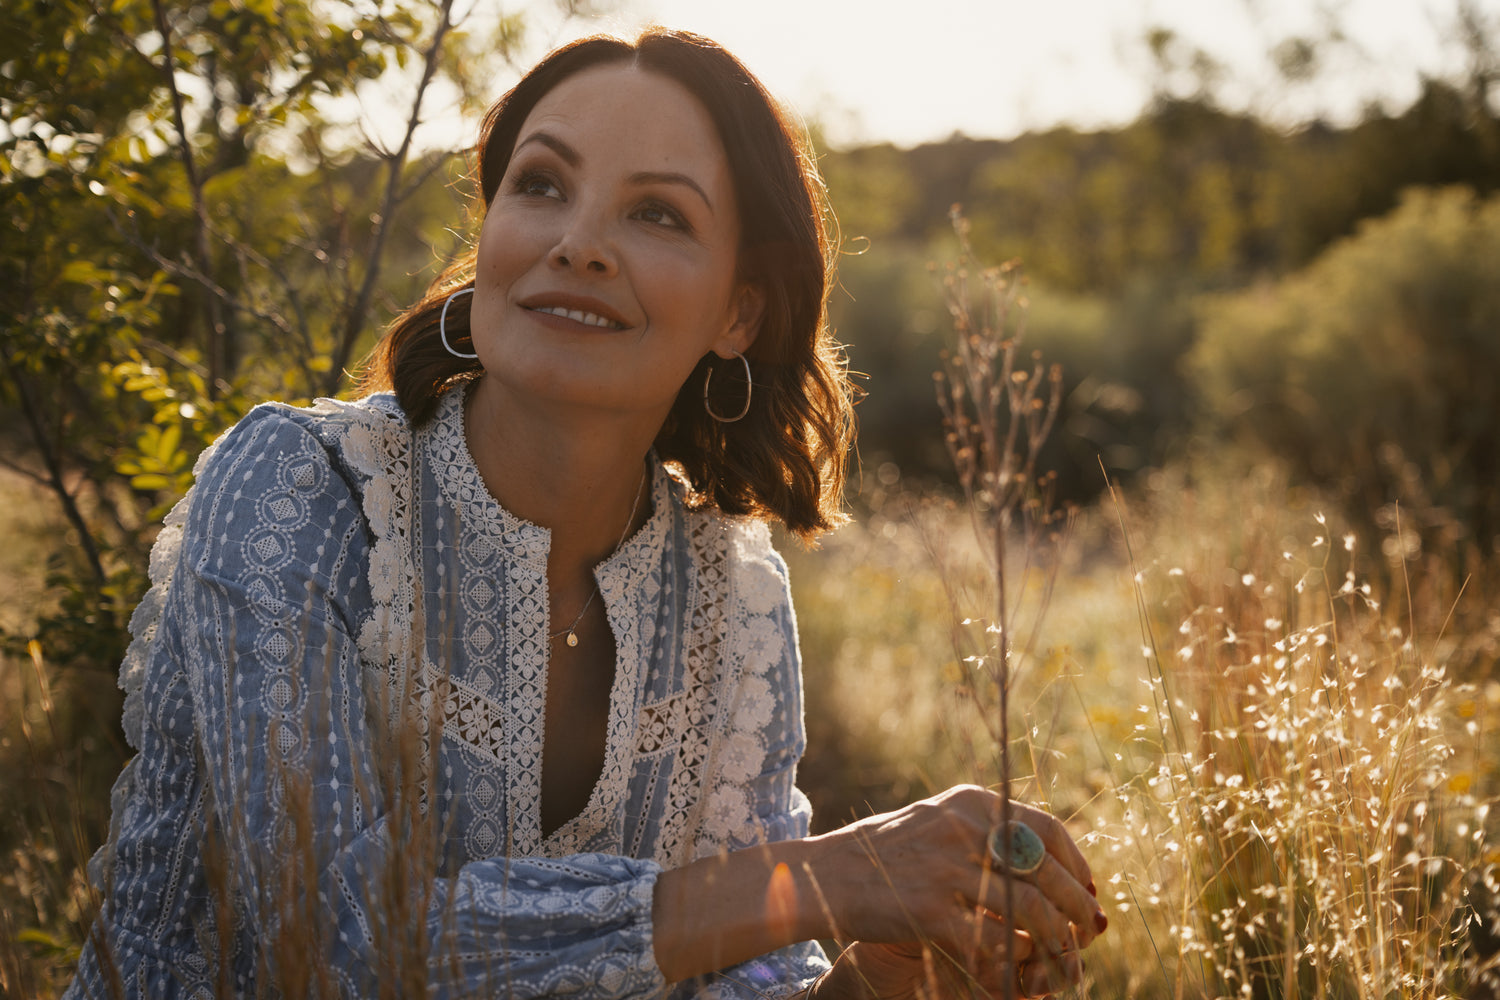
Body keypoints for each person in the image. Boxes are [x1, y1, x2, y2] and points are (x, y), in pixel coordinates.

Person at [66, 27, 1108, 1000]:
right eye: (542, 186)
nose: (578, 241)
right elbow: (342, 943)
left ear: (739, 311)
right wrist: (828, 875)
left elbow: (733, 968)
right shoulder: (304, 489)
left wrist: (881, 974)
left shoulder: (731, 593)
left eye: (655, 212)